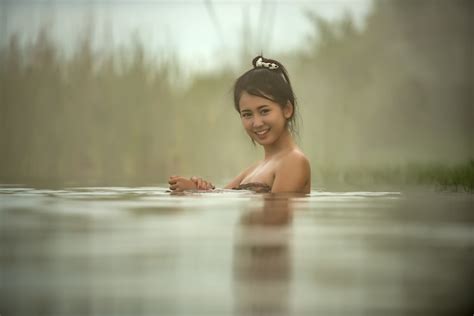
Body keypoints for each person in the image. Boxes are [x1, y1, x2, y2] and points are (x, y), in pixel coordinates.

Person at [168, 55, 311, 194]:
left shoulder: (293, 162)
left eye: (264, 111)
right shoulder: (255, 169)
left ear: (287, 109)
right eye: (247, 114)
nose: (257, 123)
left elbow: (275, 214)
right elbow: (221, 197)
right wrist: (197, 189)